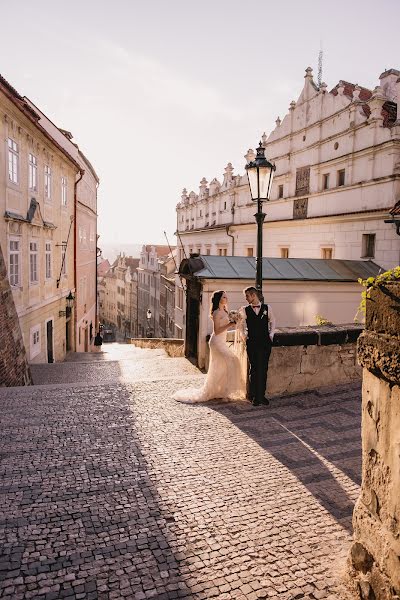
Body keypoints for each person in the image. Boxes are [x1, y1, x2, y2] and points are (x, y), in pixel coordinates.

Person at [173, 290, 246, 403]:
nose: (226, 299)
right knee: (232, 360)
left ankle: (221, 391)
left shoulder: (225, 311)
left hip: (222, 341)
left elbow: (225, 328)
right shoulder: (217, 313)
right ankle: (223, 391)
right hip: (216, 342)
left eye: (226, 297)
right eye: (224, 297)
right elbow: (217, 331)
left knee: (221, 366)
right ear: (219, 299)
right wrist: (230, 324)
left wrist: (235, 320)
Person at [239, 286, 276, 406]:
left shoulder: (267, 308)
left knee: (263, 369)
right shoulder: (244, 310)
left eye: (247, 296)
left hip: (265, 342)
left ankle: (262, 396)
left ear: (253, 295)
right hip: (252, 343)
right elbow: (241, 325)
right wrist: (244, 336)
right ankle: (254, 396)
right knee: (254, 369)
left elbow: (273, 321)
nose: (246, 298)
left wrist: (271, 334)